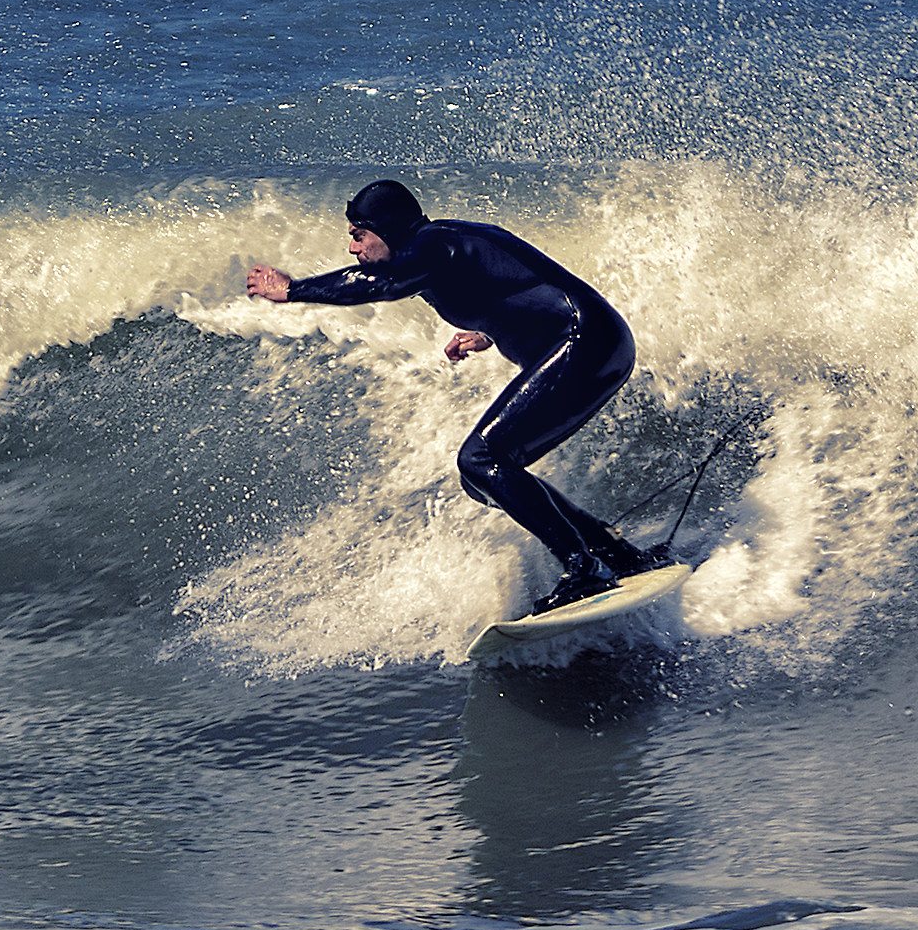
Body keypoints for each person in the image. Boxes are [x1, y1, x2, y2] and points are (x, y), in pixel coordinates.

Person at [246, 179, 665, 613]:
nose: (353, 248)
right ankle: (615, 555)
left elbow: (378, 283)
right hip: (587, 341)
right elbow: (515, 283)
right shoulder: (436, 247)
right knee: (479, 476)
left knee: (481, 459)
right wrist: (490, 330)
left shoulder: (434, 245)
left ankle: (584, 568)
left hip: (587, 341)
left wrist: (293, 290)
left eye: (358, 235)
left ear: (385, 229)